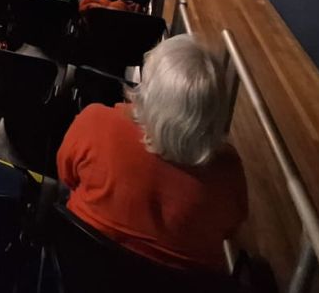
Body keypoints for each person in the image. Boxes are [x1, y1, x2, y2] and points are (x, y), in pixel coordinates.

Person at [56, 35, 247, 271]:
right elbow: (229, 229)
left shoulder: (94, 123)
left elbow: (66, 176)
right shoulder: (227, 173)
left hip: (80, 272)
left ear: (148, 90)